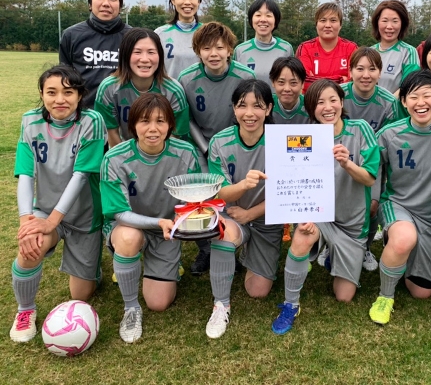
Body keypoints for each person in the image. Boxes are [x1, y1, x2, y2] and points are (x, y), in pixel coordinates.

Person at [271, 79, 379, 335]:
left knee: (344, 296)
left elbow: (370, 178)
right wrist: (301, 216)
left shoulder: (360, 129)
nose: (327, 107)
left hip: (352, 224)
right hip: (319, 216)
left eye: (333, 100)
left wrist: (348, 164)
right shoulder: (304, 136)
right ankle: (290, 304)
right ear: (311, 109)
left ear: (342, 102)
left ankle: (333, 255)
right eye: (319, 102)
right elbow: (292, 180)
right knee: (302, 235)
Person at [10, 65, 106, 343]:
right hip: (45, 210)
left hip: (85, 214)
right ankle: (25, 310)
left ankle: (94, 269)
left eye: (68, 92)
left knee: (81, 295)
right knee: (31, 247)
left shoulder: (92, 121)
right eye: (51, 92)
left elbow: (80, 177)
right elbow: (25, 175)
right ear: (42, 94)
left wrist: (53, 220)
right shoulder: (30, 121)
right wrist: (27, 221)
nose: (59, 99)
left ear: (79, 96)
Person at [100, 93, 200, 343]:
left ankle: (165, 264)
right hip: (130, 226)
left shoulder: (186, 153)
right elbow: (118, 212)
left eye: (161, 121)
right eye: (145, 121)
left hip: (166, 231)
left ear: (170, 125)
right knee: (129, 237)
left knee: (159, 302)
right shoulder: (114, 157)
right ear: (133, 125)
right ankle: (131, 308)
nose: (153, 129)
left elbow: (195, 200)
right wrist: (157, 222)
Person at [368, 69, 431, 326]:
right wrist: (375, 199)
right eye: (413, 97)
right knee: (403, 239)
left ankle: (406, 260)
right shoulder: (390, 134)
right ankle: (385, 296)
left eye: (427, 96)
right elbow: (373, 169)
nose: (420, 103)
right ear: (403, 102)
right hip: (400, 205)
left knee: (422, 292)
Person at [206, 80, 282, 339]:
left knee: (257, 290)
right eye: (242, 106)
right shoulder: (220, 141)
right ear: (234, 109)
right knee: (224, 234)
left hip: (266, 217)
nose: (249, 113)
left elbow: (288, 191)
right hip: (233, 215)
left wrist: (252, 213)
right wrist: (243, 186)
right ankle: (220, 304)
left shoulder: (281, 141)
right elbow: (220, 192)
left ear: (269, 109)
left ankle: (248, 255)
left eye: (257, 106)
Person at [178, 22, 256, 274]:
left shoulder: (244, 77)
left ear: (230, 50)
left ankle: (239, 243)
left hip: (236, 145)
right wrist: (206, 146)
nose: (214, 53)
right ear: (198, 51)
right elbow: (186, 118)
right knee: (203, 198)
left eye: (220, 47)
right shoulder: (187, 78)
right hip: (202, 146)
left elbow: (250, 113)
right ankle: (206, 249)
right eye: (207, 47)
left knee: (239, 192)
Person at [339, 46, 404, 271]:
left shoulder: (389, 102)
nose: (366, 75)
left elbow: (393, 138)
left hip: (374, 162)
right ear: (350, 71)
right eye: (360, 68)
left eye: (372, 69)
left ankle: (365, 246)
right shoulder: (338, 95)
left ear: (380, 72)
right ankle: (331, 244)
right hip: (338, 159)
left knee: (372, 206)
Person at [95, 28, 190, 149]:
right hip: (124, 156)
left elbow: (177, 136)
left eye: (151, 52)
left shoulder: (174, 90)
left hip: (164, 156)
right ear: (125, 55)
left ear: (160, 56)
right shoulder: (108, 88)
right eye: (137, 52)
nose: (145, 59)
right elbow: (111, 133)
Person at [59, 0, 131, 108]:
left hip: (123, 113)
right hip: (83, 114)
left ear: (120, 6)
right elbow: (64, 79)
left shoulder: (132, 37)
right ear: (90, 4)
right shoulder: (71, 35)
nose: (106, 3)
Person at [296, 3, 358, 92]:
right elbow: (303, 81)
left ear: (340, 25)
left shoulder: (351, 48)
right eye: (323, 20)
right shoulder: (305, 48)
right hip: (312, 103)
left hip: (343, 103)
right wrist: (341, 80)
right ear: (316, 24)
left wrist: (315, 80)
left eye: (333, 20)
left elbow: (354, 81)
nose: (328, 25)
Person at [233, 0, 294, 85]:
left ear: (275, 20)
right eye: (258, 15)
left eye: (268, 15)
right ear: (251, 19)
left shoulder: (286, 49)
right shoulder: (240, 50)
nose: (263, 20)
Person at [155, 0, 203, 79]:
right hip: (169, 94)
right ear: (173, 0)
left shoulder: (208, 33)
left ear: (199, 0)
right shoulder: (160, 34)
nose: (187, 2)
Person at [370, 0, 420, 94]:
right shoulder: (369, 52)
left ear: (402, 24)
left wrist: (387, 105)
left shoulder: (409, 52)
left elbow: (409, 86)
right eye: (384, 21)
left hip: (395, 107)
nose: (389, 26)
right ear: (377, 22)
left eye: (395, 21)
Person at [269, 56, 310, 124]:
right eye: (281, 82)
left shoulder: (311, 107)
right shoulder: (265, 106)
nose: (287, 89)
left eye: (293, 83)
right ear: (273, 82)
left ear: (302, 84)